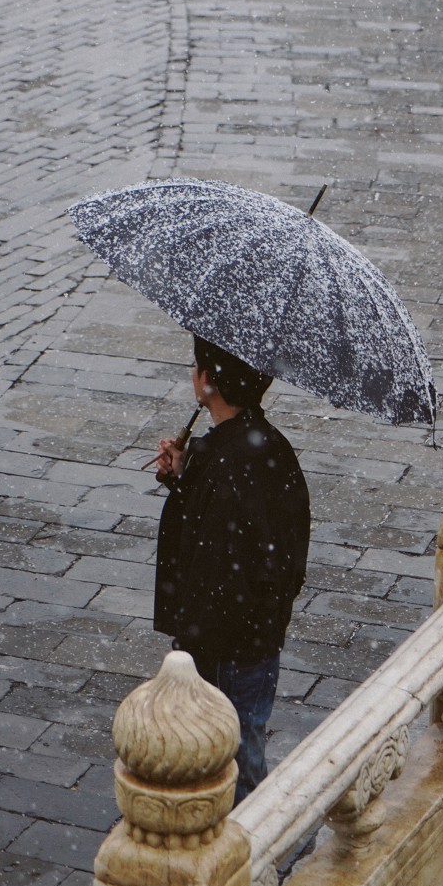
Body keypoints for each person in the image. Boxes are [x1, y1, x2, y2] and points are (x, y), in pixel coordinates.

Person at [154, 337, 310, 804]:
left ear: (208, 381)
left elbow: (216, 562)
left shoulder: (227, 461)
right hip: (258, 640)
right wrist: (183, 474)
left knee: (233, 765)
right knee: (244, 748)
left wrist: (192, 647)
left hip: (227, 649)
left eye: (197, 366)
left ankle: (253, 842)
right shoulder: (266, 446)